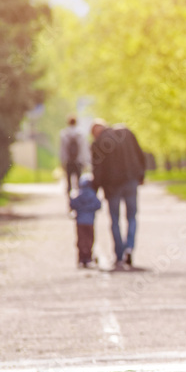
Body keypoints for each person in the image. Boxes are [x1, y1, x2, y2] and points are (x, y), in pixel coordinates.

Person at [90, 119, 146, 269]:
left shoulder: (98, 143)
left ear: (96, 131)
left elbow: (97, 168)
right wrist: (141, 176)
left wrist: (95, 187)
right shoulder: (126, 133)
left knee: (115, 220)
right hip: (130, 181)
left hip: (112, 186)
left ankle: (119, 254)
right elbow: (140, 155)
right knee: (132, 217)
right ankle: (129, 247)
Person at [69, 175, 101, 268]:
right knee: (90, 240)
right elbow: (98, 205)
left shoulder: (78, 194)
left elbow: (72, 204)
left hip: (80, 222)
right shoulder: (93, 194)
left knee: (81, 240)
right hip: (90, 222)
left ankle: (81, 257)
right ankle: (88, 257)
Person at [59, 115, 88, 198]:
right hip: (78, 161)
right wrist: (85, 161)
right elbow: (84, 149)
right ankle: (79, 201)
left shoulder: (64, 134)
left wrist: (62, 161)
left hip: (68, 162)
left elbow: (62, 149)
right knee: (79, 183)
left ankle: (70, 202)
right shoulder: (81, 133)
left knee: (69, 183)